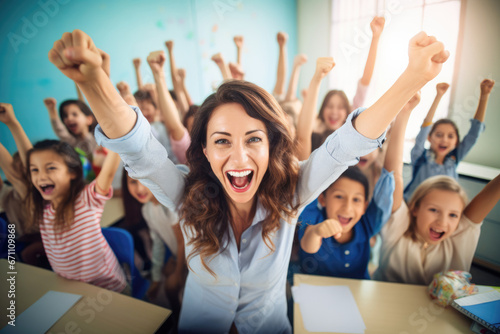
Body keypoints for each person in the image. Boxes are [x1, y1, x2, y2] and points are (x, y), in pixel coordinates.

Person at [48, 29, 448, 333]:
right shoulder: (187, 195)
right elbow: (141, 152)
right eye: (222, 141)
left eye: (253, 140)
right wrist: (94, 82)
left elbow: (344, 145)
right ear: (204, 150)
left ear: (271, 146)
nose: (239, 159)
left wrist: (412, 78)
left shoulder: (292, 191)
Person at [298, 93, 419, 279]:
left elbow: (392, 176)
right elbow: (308, 244)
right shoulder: (313, 216)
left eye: (356, 200)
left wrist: (404, 114)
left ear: (364, 206)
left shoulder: (368, 223)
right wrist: (317, 231)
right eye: (339, 196)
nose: (347, 207)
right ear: (322, 198)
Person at [25, 138, 126, 292]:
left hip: (108, 289)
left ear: (72, 172)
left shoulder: (86, 199)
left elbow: (109, 171)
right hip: (71, 288)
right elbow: (23, 161)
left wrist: (118, 135)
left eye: (50, 168)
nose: (41, 177)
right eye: (35, 170)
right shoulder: (44, 209)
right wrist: (12, 124)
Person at [374, 173, 500, 285]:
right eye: (433, 210)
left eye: (453, 215)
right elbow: (393, 174)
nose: (442, 222)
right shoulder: (399, 228)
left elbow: (493, 191)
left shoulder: (460, 236)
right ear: (415, 208)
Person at [403, 79, 493, 201]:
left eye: (450, 136)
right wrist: (438, 96)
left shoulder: (454, 158)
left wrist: (484, 95)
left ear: (456, 142)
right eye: (439, 135)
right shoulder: (420, 156)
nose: (444, 139)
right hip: (413, 208)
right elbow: (423, 130)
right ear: (429, 138)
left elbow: (474, 134)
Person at [123, 169, 186, 317]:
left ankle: (180, 321)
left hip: (195, 258)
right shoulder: (147, 210)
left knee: (171, 286)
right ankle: (178, 318)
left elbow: (182, 241)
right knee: (165, 279)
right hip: (181, 257)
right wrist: (156, 279)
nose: (139, 188)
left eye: (144, 181)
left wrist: (178, 271)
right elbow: (158, 244)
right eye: (133, 182)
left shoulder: (167, 204)